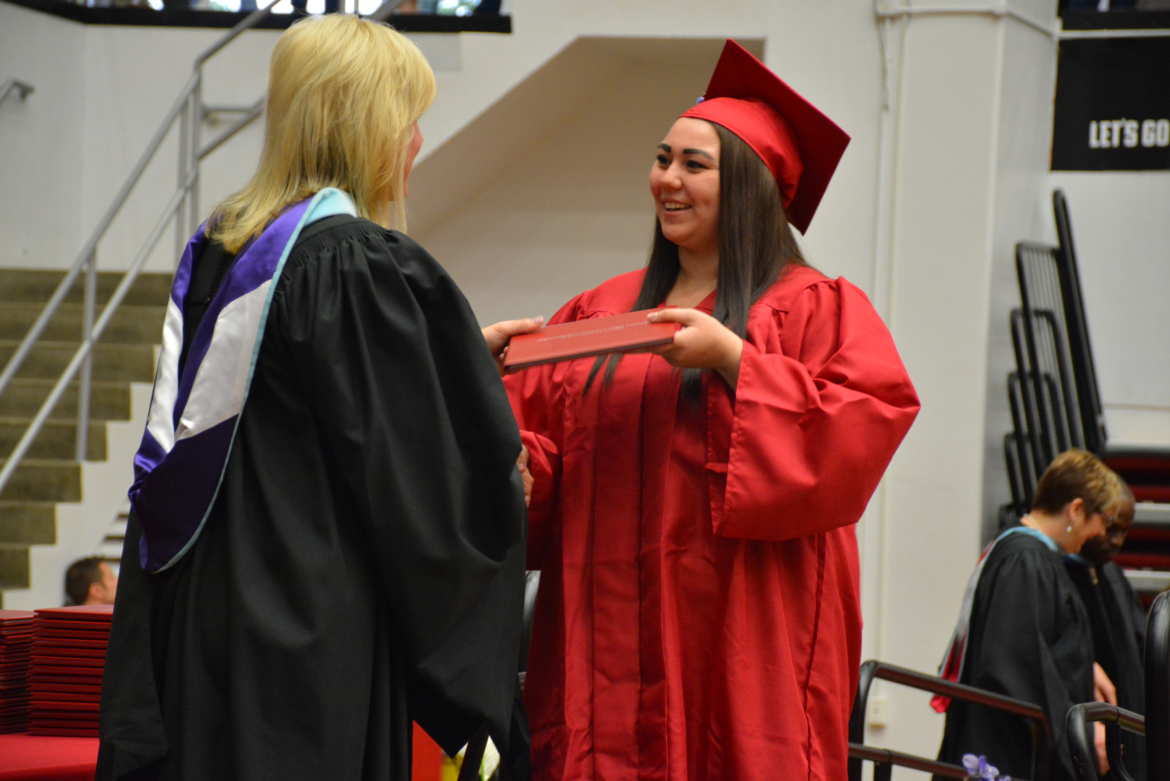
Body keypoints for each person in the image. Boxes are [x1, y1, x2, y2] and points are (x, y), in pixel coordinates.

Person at [98, 15, 528, 781]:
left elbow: (293, 417)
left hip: (205, 619)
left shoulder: (228, 249)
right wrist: (482, 442)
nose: (416, 143)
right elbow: (414, 493)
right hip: (307, 636)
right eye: (409, 120)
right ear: (369, 125)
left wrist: (442, 368)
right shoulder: (353, 263)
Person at [500, 40, 920, 780]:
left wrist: (736, 361)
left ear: (750, 188)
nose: (668, 179)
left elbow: (857, 429)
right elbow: (537, 447)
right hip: (601, 644)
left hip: (741, 635)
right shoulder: (601, 309)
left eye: (694, 165)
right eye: (663, 159)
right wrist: (486, 414)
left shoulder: (813, 309)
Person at [934, 449, 1118, 780]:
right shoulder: (1025, 560)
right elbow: (1017, 665)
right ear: (1076, 509)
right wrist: (1079, 732)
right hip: (1010, 752)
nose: (1102, 534)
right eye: (1103, 521)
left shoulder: (1024, 554)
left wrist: (1084, 663)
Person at [1066, 480, 1146, 779]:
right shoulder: (1057, 572)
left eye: (1124, 532)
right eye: (1111, 529)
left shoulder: (1111, 575)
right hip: (1093, 729)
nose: (1116, 541)